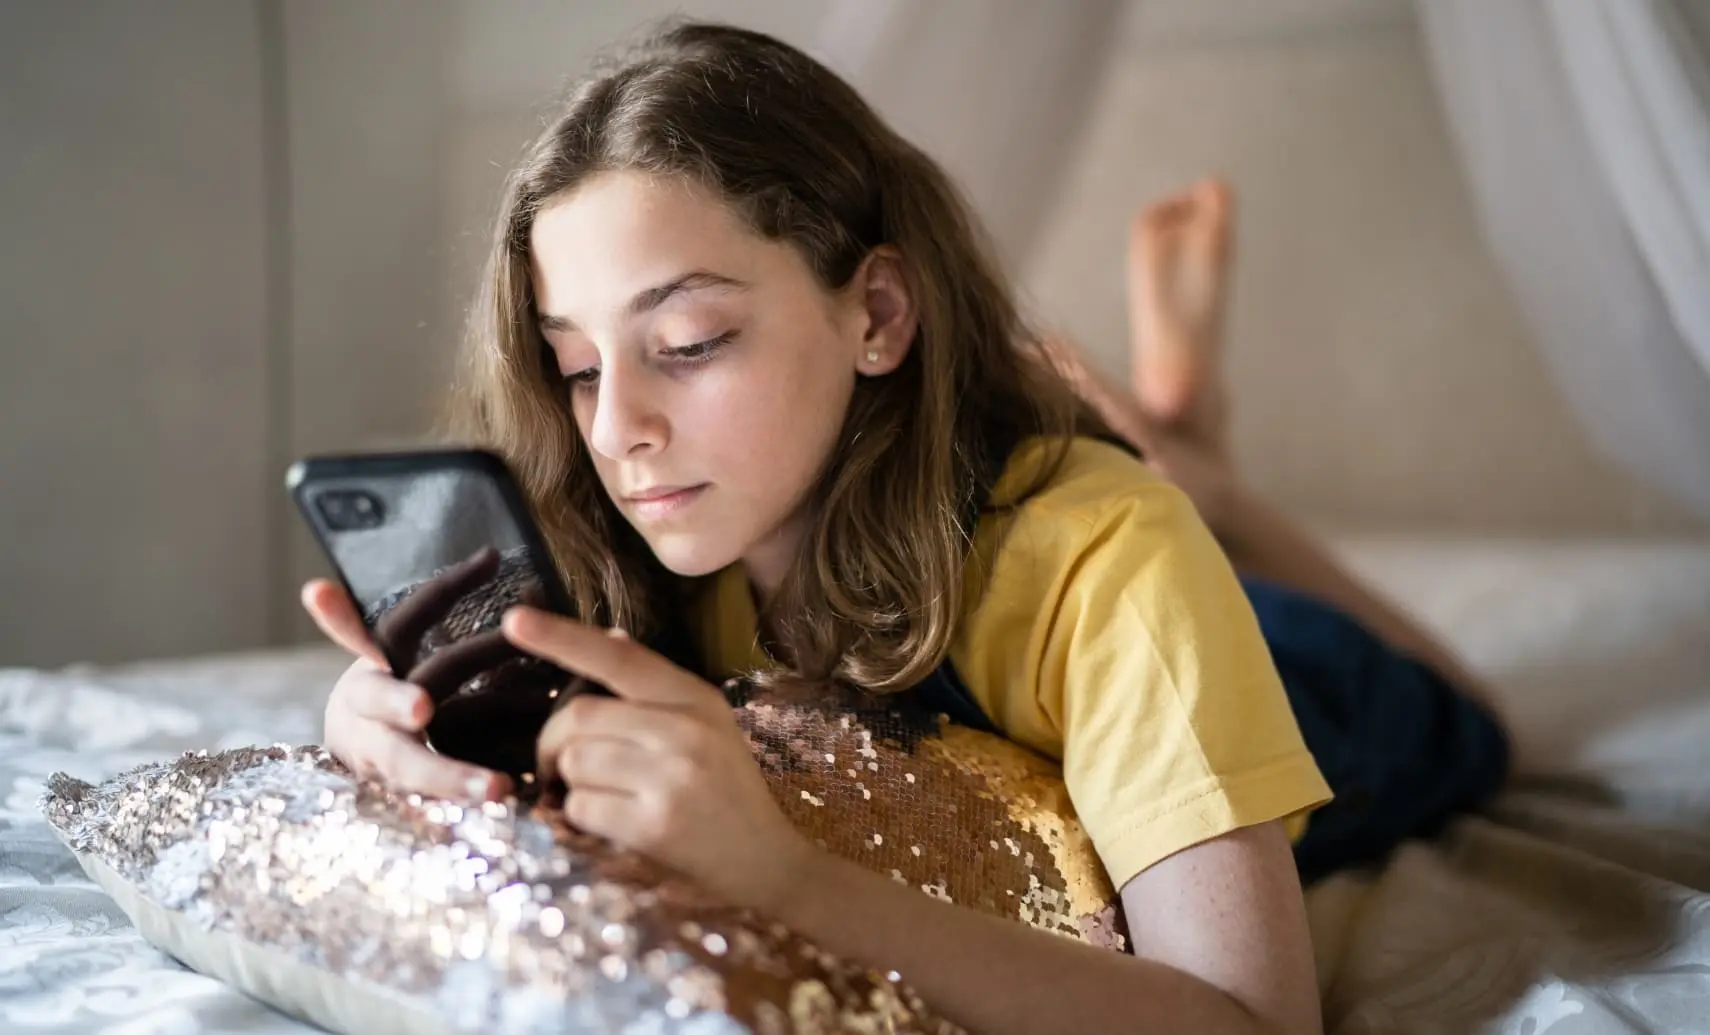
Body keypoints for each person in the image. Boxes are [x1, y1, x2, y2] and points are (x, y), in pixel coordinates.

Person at [300, 22, 1507, 1035]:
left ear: (876, 312)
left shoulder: (1110, 557)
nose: (617, 429)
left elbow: (1250, 1022)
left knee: (1463, 720)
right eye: (573, 365)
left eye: (689, 345)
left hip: (1288, 675)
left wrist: (786, 882)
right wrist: (386, 726)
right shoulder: (658, 524)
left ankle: (1208, 479)